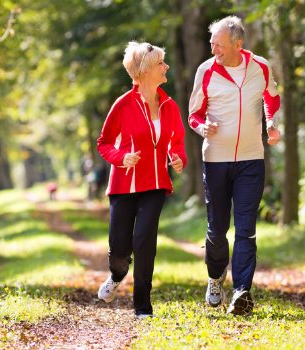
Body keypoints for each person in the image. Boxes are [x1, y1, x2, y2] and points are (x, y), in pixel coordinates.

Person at [189, 16, 281, 315]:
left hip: (251, 159)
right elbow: (194, 115)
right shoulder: (206, 70)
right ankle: (216, 278)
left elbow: (272, 97)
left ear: (237, 45)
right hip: (216, 159)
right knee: (217, 230)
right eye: (211, 42)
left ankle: (242, 291)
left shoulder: (260, 66)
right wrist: (203, 128)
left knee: (246, 228)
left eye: (218, 43)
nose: (213, 48)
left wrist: (271, 122)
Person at [96, 42, 187, 319]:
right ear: (146, 70)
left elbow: (177, 141)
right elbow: (104, 142)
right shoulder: (123, 104)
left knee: (144, 241)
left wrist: (178, 157)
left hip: (156, 183)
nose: (166, 67)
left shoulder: (169, 105)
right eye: (161, 63)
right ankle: (116, 274)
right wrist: (121, 157)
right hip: (124, 185)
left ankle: (142, 307)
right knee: (120, 251)